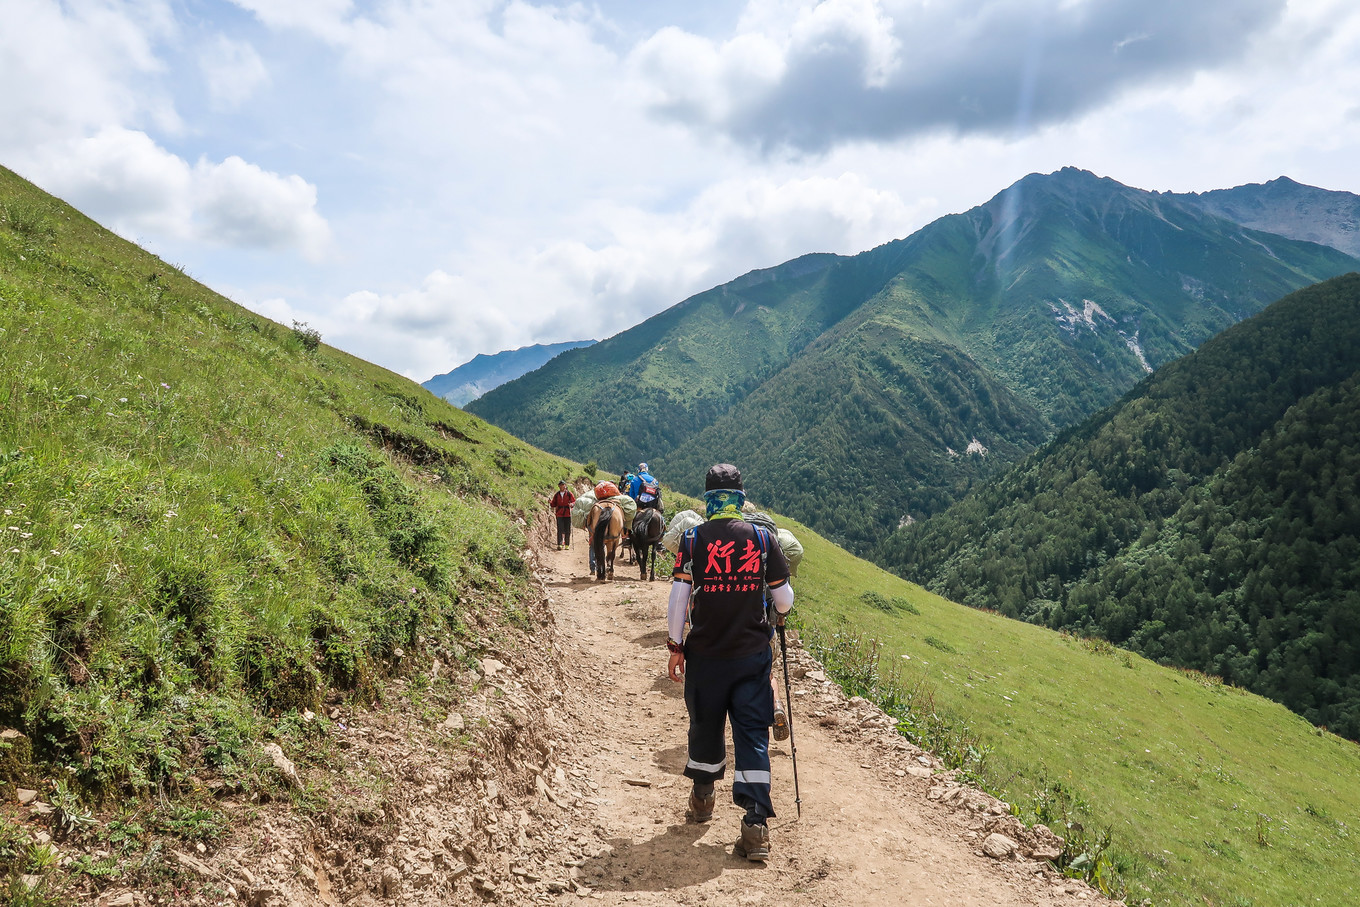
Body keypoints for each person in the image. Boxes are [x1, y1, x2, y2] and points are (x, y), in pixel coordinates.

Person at [667, 464, 793, 862]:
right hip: (751, 655)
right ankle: (755, 824)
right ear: (740, 498)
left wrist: (675, 646)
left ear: (708, 500)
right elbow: (784, 599)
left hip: (705, 656)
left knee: (705, 725)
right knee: (752, 733)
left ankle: (703, 798)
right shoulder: (761, 537)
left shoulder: (692, 540)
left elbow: (678, 598)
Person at [549, 481, 575, 550]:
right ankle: (560, 544)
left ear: (565, 486)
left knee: (567, 529)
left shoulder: (569, 494)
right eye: (561, 485)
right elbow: (553, 504)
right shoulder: (557, 495)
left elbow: (574, 501)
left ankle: (567, 544)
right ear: (559, 486)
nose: (562, 486)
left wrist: (572, 504)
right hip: (559, 513)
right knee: (560, 529)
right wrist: (550, 502)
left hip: (567, 513)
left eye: (563, 485)